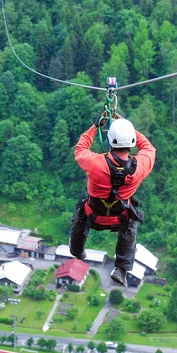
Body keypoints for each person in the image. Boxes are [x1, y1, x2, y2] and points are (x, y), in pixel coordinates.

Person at [70, 117, 156, 287]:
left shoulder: (95, 163)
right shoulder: (139, 167)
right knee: (131, 225)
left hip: (93, 216)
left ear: (110, 141)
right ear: (131, 143)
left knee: (80, 213)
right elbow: (148, 147)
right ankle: (122, 268)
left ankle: (77, 250)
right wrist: (128, 127)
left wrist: (95, 126)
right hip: (120, 218)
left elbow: (80, 149)